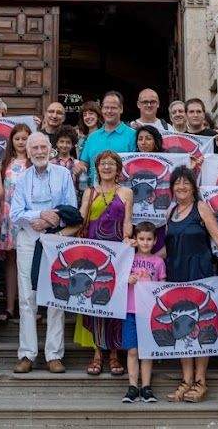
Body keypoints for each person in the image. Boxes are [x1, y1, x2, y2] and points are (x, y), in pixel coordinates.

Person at [163, 166, 218, 403]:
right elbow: (167, 248)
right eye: (177, 183)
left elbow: (217, 236)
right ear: (172, 187)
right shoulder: (170, 212)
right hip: (176, 273)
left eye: (186, 182)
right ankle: (185, 381)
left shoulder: (201, 208)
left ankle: (200, 381)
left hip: (200, 271)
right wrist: (143, 258)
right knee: (182, 325)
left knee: (201, 325)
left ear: (193, 187)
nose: (181, 187)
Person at [10, 131, 77, 374]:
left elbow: (72, 209)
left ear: (51, 150)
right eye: (34, 148)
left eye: (42, 147)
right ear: (27, 152)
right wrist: (38, 215)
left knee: (56, 297)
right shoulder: (22, 179)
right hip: (28, 240)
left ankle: (54, 355)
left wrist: (52, 219)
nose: (39, 152)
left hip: (56, 239)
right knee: (28, 298)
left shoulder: (63, 174)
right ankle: (27, 353)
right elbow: (15, 214)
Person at [78, 149, 133, 376]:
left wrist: (128, 241)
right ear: (97, 168)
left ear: (118, 169)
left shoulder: (127, 192)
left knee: (115, 302)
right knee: (95, 302)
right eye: (103, 164)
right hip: (93, 254)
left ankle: (114, 354)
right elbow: (81, 219)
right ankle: (98, 353)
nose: (107, 167)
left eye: (111, 164)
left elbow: (128, 220)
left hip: (117, 253)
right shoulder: (89, 192)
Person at [121, 222, 166, 403]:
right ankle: (133, 387)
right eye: (141, 239)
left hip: (149, 313)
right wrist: (127, 279)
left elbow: (162, 287)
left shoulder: (159, 262)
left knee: (147, 351)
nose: (145, 243)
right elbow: (118, 280)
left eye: (149, 239)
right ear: (135, 240)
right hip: (130, 310)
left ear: (155, 241)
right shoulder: (128, 258)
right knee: (132, 350)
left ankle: (146, 387)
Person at [0, 123, 31, 324]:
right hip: (8, 216)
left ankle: (28, 307)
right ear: (11, 141)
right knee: (11, 261)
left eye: (24, 138)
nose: (21, 142)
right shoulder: (6, 163)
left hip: (27, 218)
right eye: (17, 138)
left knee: (26, 263)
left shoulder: (34, 161)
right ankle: (10, 307)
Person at [81, 91, 135, 171]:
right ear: (102, 109)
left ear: (121, 109)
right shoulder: (92, 137)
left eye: (113, 108)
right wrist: (78, 168)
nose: (109, 111)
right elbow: (84, 165)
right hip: (95, 183)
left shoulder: (133, 135)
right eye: (106, 107)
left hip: (123, 183)